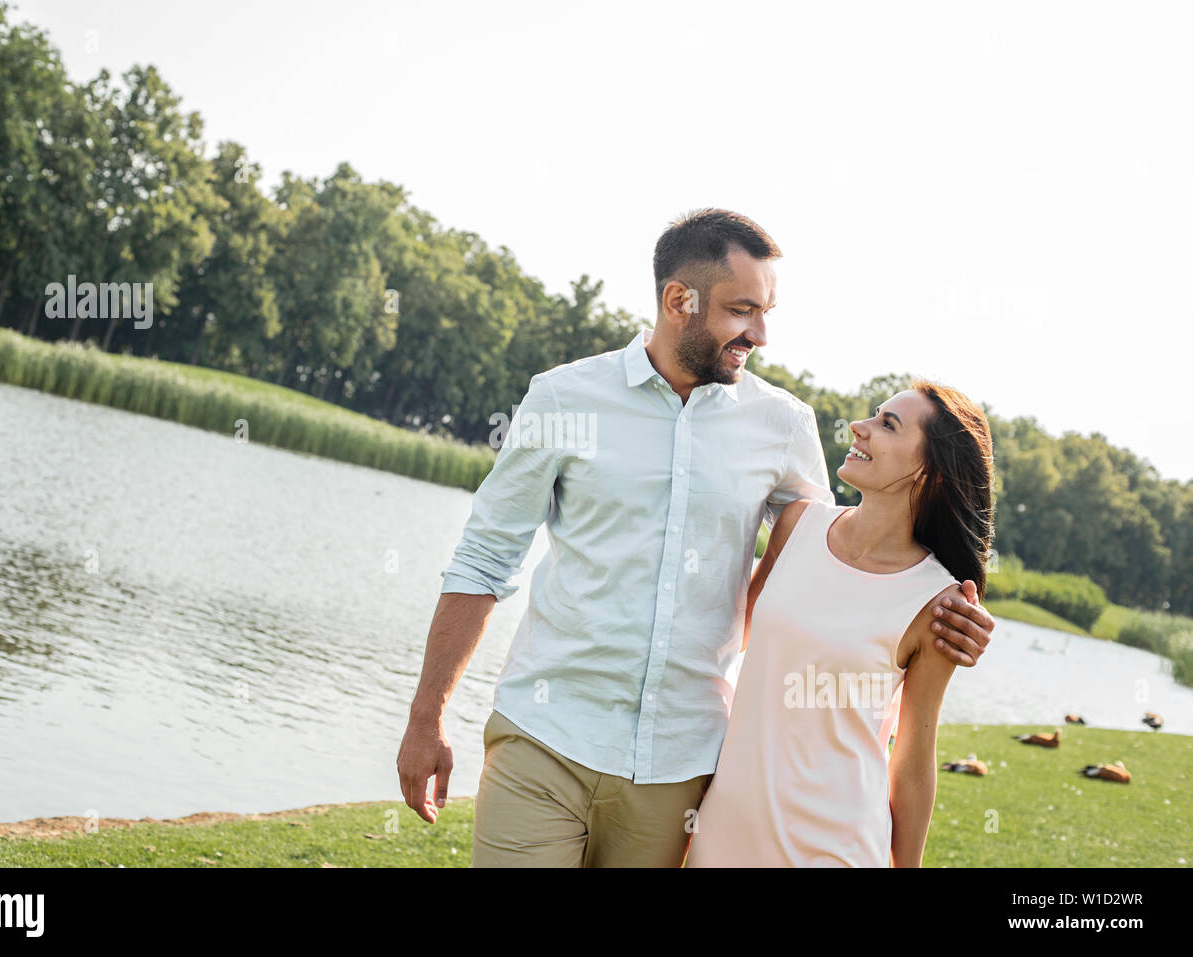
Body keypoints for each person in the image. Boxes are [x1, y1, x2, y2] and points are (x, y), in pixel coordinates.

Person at [395, 208, 996, 867]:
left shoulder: (782, 425)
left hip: (678, 769)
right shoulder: (565, 399)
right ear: (678, 299)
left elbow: (841, 565)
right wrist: (428, 713)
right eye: (743, 309)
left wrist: (949, 612)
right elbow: (484, 558)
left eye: (767, 310)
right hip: (547, 734)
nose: (760, 334)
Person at [683, 382, 995, 867]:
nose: (859, 428)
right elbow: (728, 640)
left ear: (929, 471)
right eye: (875, 414)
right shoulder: (796, 525)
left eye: (887, 425)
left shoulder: (938, 603)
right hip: (725, 833)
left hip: (837, 847)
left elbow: (912, 761)